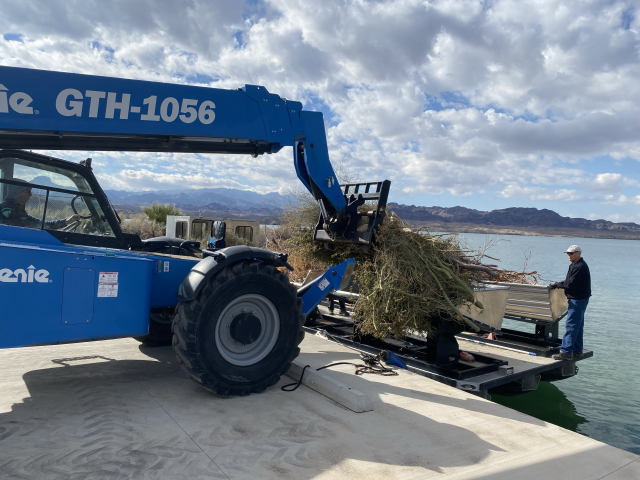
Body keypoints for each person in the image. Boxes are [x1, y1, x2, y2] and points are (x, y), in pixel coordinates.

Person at [549, 245, 591, 360]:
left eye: (571, 253)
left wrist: (557, 285)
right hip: (580, 298)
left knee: (571, 325)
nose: (569, 255)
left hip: (578, 299)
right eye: (568, 253)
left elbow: (571, 284)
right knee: (578, 325)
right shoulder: (574, 265)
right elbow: (569, 281)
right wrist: (560, 283)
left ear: (578, 253)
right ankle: (577, 350)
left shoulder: (580, 266)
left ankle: (566, 352)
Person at [0, 181, 80, 229]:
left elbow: (41, 224)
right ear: (18, 193)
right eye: (28, 191)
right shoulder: (6, 211)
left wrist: (66, 221)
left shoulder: (19, 211)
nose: (31, 195)